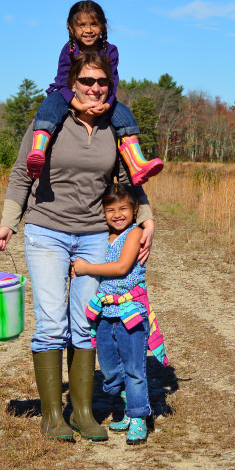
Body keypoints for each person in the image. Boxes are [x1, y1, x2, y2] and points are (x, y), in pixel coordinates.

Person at [0, 50, 154, 442]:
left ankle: (81, 412)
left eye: (101, 82)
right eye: (87, 81)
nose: (95, 89)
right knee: (51, 323)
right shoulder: (51, 120)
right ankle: (51, 417)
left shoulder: (115, 125)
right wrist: (7, 224)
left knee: (85, 322)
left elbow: (132, 178)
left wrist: (146, 216)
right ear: (73, 84)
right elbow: (19, 174)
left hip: (95, 234)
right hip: (46, 230)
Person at [70, 184, 168, 445]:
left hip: (129, 312)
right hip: (105, 313)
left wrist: (85, 268)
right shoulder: (102, 236)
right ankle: (128, 405)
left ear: (135, 210)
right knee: (111, 369)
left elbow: (122, 266)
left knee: (135, 368)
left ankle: (138, 417)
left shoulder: (135, 234)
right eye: (110, 209)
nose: (116, 214)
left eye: (123, 208)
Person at [26, 0, 163, 186]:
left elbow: (112, 82)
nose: (88, 30)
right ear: (71, 27)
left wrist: (107, 105)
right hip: (69, 93)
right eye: (81, 25)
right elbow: (62, 82)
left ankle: (137, 164)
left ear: (103, 26)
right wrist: (77, 104)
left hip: (102, 96)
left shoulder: (110, 51)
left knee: (123, 113)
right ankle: (38, 152)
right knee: (50, 104)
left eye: (94, 24)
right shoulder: (69, 50)